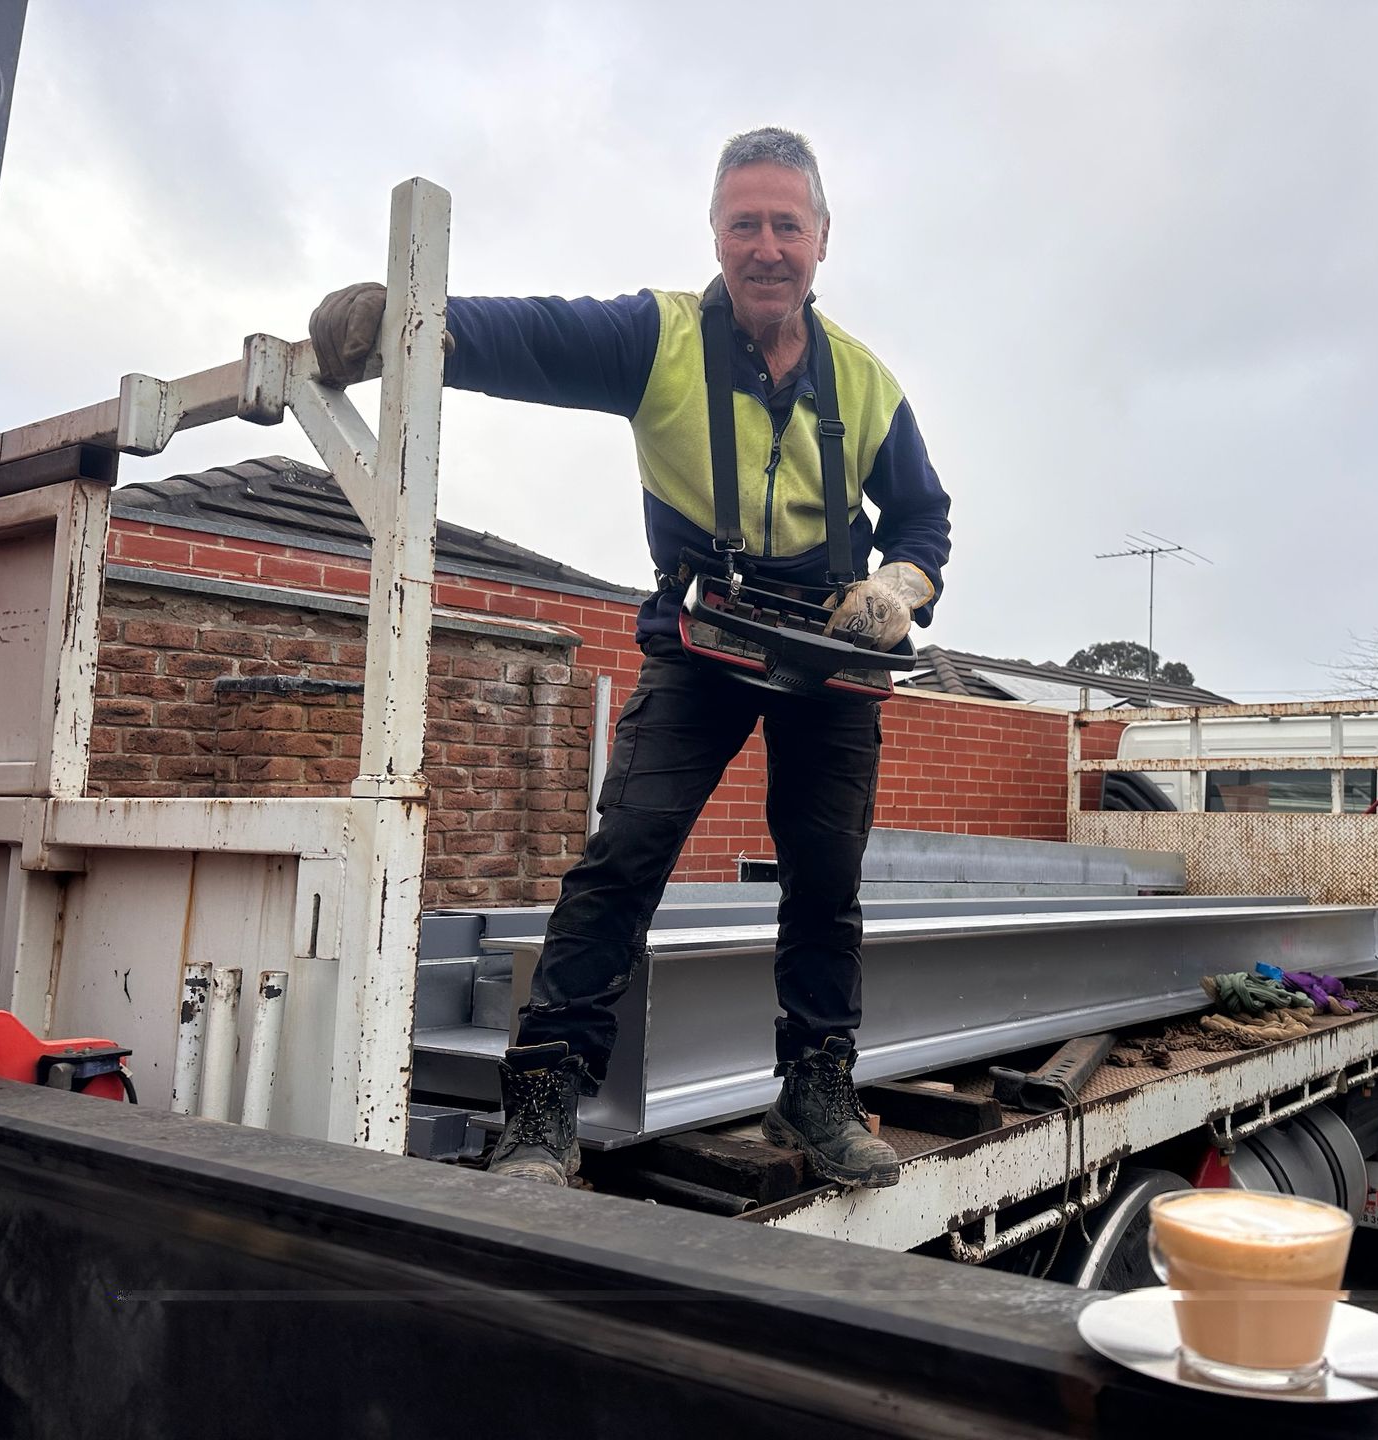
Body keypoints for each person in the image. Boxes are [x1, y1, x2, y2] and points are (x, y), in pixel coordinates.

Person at [310, 128, 951, 1191]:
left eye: (786, 224)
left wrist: (894, 591)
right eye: (744, 223)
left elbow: (924, 521)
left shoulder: (868, 386)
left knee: (826, 879)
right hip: (706, 639)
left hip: (831, 655)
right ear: (716, 232)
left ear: (822, 241)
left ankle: (817, 1088)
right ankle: (545, 1101)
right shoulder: (658, 340)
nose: (765, 247)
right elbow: (537, 337)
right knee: (625, 858)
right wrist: (411, 326)